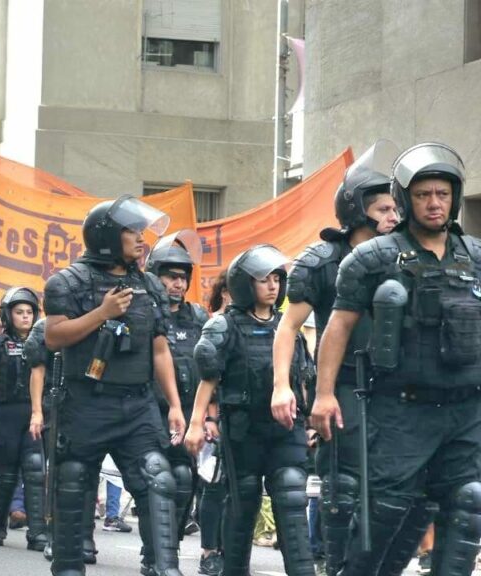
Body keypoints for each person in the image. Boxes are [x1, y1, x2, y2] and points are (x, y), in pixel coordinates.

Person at [312, 143, 481, 575]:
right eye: (423, 194)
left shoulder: (477, 257)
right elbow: (339, 326)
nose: (434, 203)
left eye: (442, 194)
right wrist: (324, 394)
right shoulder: (374, 257)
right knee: (385, 509)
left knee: (467, 503)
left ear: (454, 198)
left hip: (466, 409)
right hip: (401, 408)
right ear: (406, 200)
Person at [269, 141, 428, 576]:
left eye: (395, 208)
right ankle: (336, 566)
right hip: (342, 386)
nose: (393, 216)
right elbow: (288, 326)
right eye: (383, 209)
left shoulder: (406, 257)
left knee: (407, 491)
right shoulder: (323, 262)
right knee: (342, 487)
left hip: (397, 391)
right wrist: (282, 386)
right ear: (357, 210)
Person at [43, 195, 186, 576]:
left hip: (138, 404)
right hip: (86, 403)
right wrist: (102, 313)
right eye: (131, 231)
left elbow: (160, 350)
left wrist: (174, 405)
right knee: (73, 482)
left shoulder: (150, 285)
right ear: (107, 236)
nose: (141, 238)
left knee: (159, 478)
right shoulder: (67, 282)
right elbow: (54, 336)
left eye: (142, 231)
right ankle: (68, 568)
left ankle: (163, 567)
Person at [184, 244, 315, 576]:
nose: (272, 286)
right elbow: (209, 378)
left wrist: (311, 420)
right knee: (243, 500)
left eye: (277, 279)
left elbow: (303, 377)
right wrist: (197, 423)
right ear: (245, 284)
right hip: (243, 431)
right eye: (263, 279)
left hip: (286, 429)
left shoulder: (288, 326)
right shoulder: (224, 326)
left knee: (291, 492)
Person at [145, 229, 217, 575]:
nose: (177, 283)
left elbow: (211, 370)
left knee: (184, 481)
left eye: (183, 277)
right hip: (148, 412)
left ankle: (166, 554)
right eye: (170, 276)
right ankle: (153, 555)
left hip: (189, 415)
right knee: (159, 480)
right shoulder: (143, 314)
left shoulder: (199, 318)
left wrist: (209, 415)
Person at [0, 286, 48, 550]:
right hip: (3, 415)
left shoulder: (45, 343)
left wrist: (40, 412)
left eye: (29, 312)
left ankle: (37, 533)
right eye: (19, 312)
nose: (25, 316)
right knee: (5, 475)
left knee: (35, 470)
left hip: (33, 414)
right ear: (8, 314)